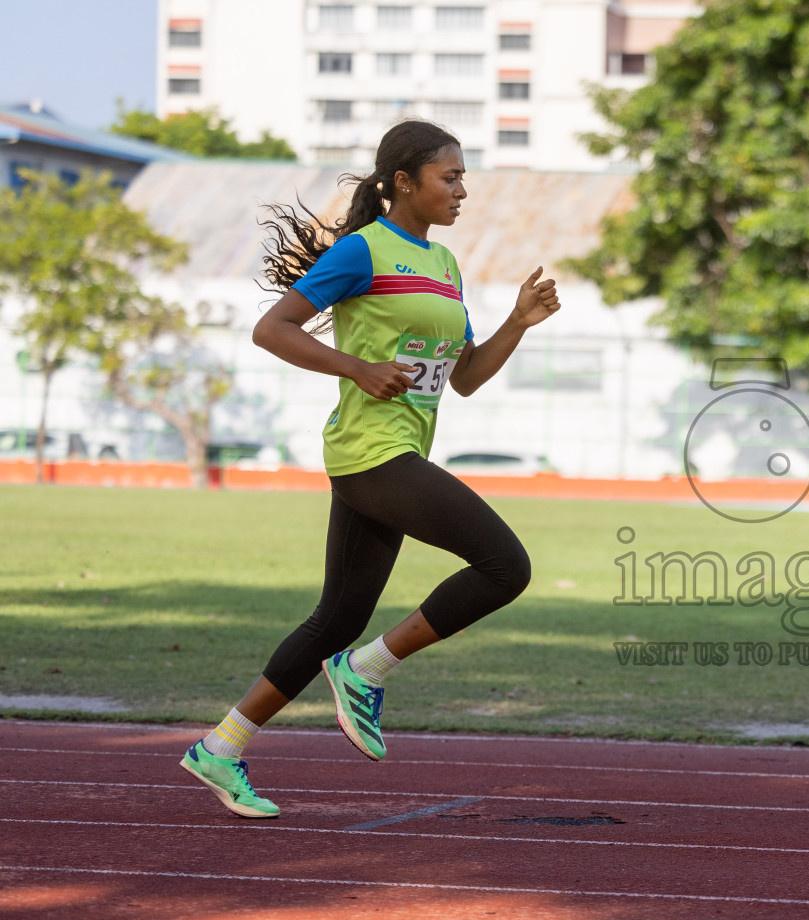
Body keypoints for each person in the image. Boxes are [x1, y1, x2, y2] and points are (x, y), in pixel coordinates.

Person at [179, 120, 561, 817]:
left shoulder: (444, 265)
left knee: (336, 618)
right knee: (506, 566)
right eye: (451, 177)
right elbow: (273, 329)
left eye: (464, 177)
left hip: (399, 455)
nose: (463, 190)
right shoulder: (362, 252)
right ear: (405, 182)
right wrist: (357, 366)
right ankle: (366, 671)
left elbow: (466, 378)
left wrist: (517, 323)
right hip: (369, 452)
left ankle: (220, 747)